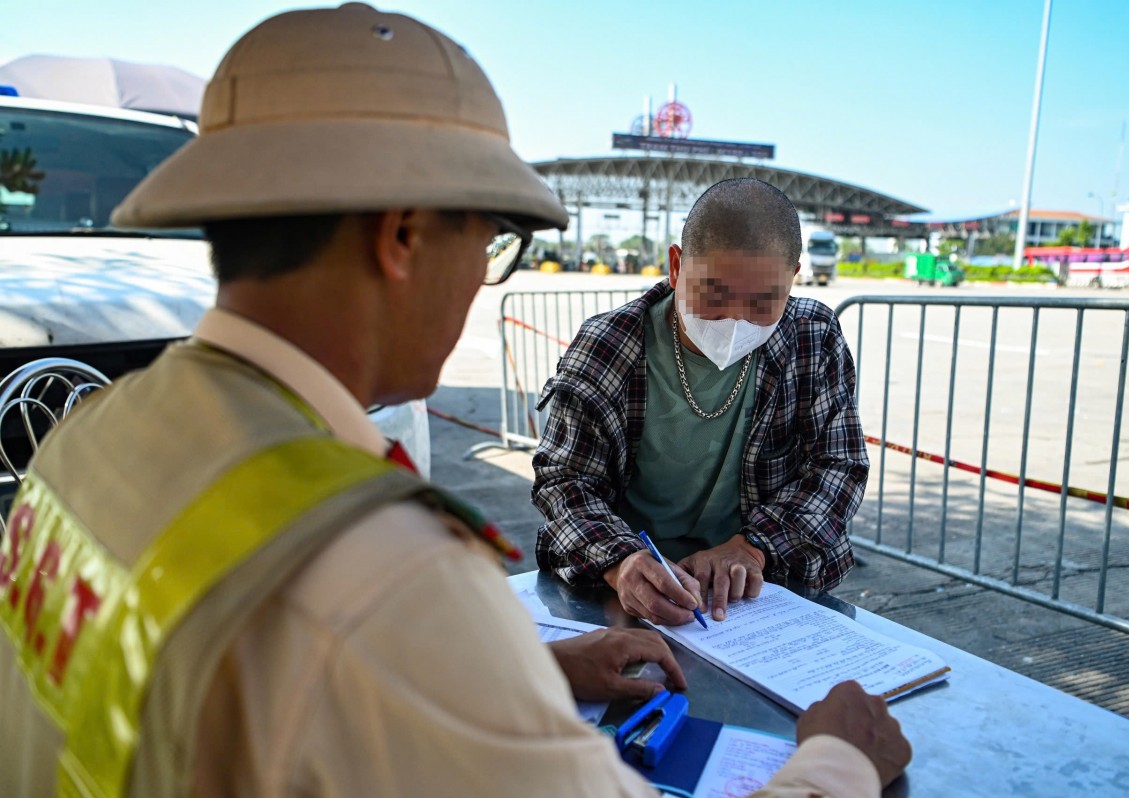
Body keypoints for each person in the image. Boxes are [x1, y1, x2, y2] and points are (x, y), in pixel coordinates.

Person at [0, 6, 906, 796]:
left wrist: (524, 674)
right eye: (486, 246)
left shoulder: (83, 440)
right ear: (403, 238)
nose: (480, 284)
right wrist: (834, 762)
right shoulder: (388, 565)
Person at [534, 178, 869, 624]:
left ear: (794, 278)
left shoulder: (813, 337)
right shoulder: (610, 346)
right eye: (714, 293)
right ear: (676, 267)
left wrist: (752, 546)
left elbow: (839, 466)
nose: (736, 319)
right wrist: (623, 563)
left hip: (759, 593)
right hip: (632, 591)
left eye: (764, 301)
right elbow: (564, 481)